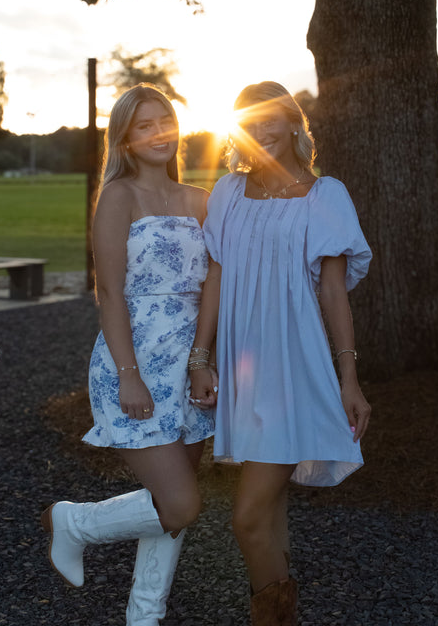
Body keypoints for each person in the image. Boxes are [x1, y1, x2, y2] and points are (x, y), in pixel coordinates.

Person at [189, 81, 372, 625]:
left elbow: (333, 291)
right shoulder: (226, 191)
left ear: (294, 123)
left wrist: (349, 379)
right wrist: (201, 358)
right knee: (267, 513)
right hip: (245, 368)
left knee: (245, 519)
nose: (262, 128)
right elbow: (215, 278)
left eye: (272, 117)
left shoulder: (326, 195)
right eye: (250, 119)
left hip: (295, 368)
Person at [41, 84, 217, 625]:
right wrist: (128, 376)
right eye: (144, 126)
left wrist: (203, 359)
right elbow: (110, 292)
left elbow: (215, 281)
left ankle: (144, 616)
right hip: (134, 364)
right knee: (181, 503)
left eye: (164, 120)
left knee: (171, 505)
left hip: (188, 365)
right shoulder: (118, 195)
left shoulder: (199, 199)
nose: (158, 132)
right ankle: (73, 522)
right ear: (125, 138)